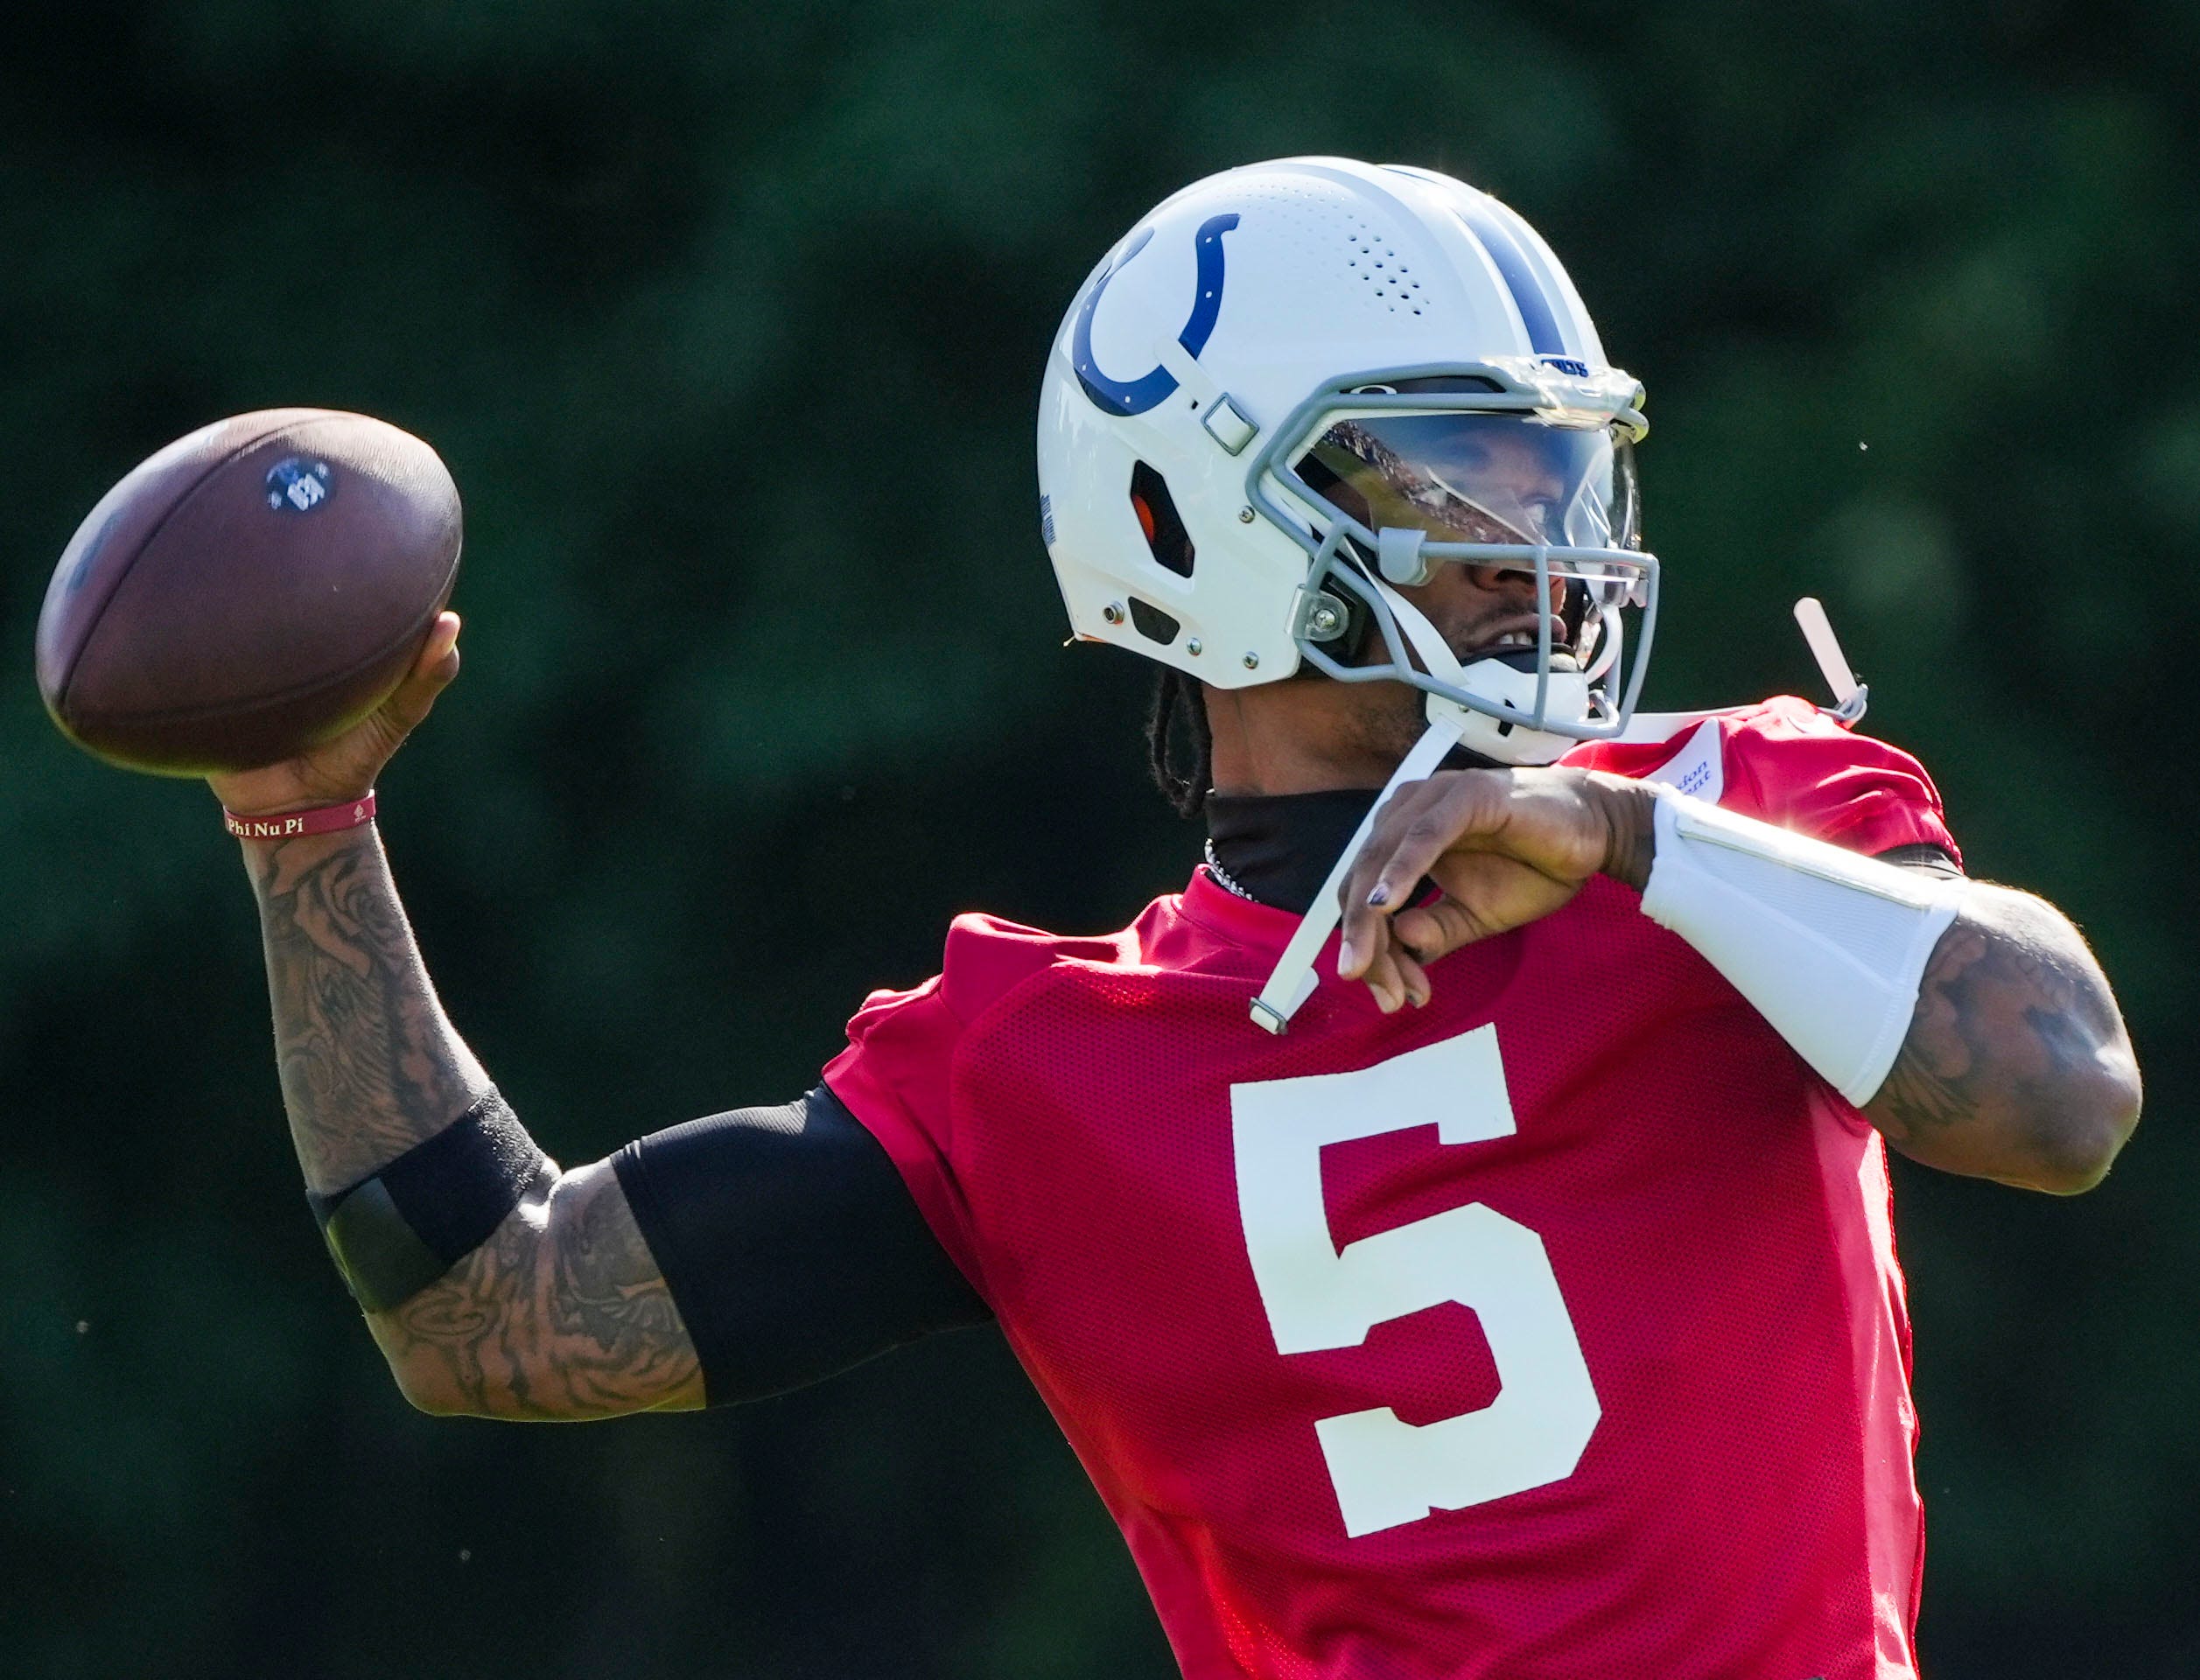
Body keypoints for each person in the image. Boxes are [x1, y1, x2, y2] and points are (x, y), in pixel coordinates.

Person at [210, 159, 2140, 1679]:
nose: (1542, 544)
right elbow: (488, 1309)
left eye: (1557, 474)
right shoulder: (1034, 1075)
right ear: (1193, 525)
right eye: (1465, 476)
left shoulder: (1729, 828)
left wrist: (1631, 846)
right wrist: (306, 820)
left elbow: (2071, 1097)